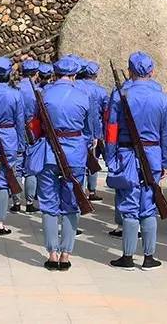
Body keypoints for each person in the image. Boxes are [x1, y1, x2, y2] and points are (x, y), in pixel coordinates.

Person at [28, 56, 100, 271]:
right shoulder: (84, 95)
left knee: (49, 206)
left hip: (49, 152)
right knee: (71, 204)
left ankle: (51, 253)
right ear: (75, 74)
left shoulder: (43, 94)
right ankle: (66, 254)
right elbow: (90, 130)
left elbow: (34, 126)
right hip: (76, 153)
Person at [105, 51, 167, 271]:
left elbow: (111, 131)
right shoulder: (162, 98)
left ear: (130, 71)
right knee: (149, 206)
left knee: (129, 207)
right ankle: (149, 256)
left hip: (126, 155)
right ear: (152, 71)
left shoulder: (119, 95)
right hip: (153, 155)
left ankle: (127, 256)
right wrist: (164, 162)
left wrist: (110, 156)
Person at [0, 57, 26, 235]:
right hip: (8, 136)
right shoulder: (16, 94)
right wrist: (21, 144)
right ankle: (0, 222)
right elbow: (20, 121)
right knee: (3, 180)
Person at [78, 60, 109, 201]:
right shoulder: (101, 91)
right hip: (95, 129)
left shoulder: (77, 87)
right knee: (93, 160)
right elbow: (106, 112)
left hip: (79, 129)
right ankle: (91, 190)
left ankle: (82, 189)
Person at [16, 59, 41, 213]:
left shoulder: (15, 88)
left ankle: (16, 201)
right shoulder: (37, 91)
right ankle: (30, 202)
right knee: (31, 169)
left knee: (17, 168)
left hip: (16, 131)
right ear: (36, 73)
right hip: (32, 130)